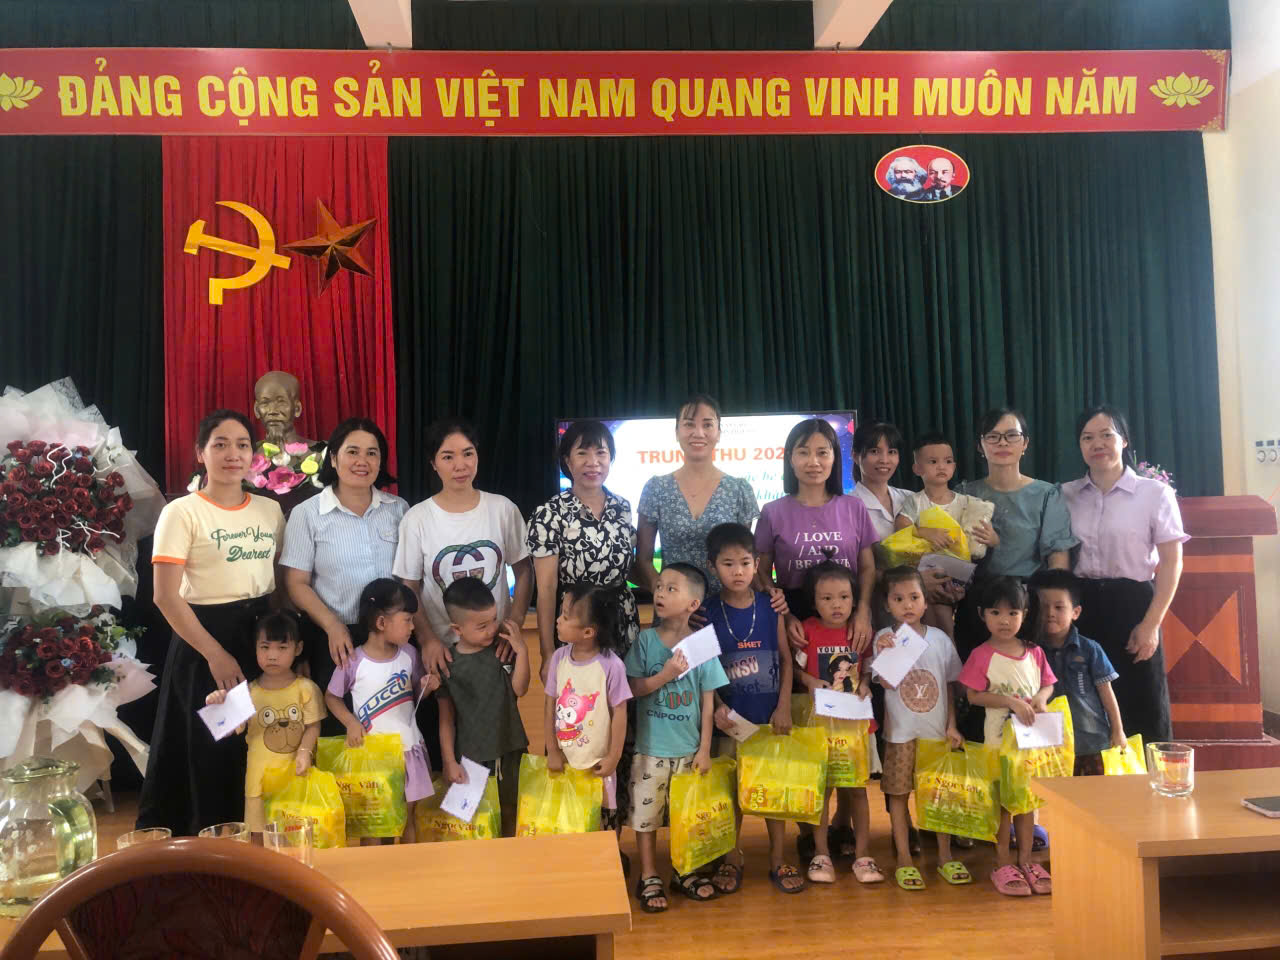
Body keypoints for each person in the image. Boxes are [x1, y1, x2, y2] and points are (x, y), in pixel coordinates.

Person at [137, 409, 286, 836]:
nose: (232, 454)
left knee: (258, 743)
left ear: (254, 455)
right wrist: (214, 654)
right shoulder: (182, 512)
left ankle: (258, 840)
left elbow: (276, 582)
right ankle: (209, 843)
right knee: (212, 747)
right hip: (204, 640)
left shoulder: (270, 510)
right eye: (220, 444)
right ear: (201, 453)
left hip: (259, 637)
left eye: (242, 445)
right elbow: (165, 596)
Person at [394, 417, 532, 765]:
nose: (460, 465)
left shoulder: (502, 509)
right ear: (433, 463)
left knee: (500, 741)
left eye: (468, 453)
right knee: (449, 741)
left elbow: (523, 570)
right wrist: (428, 639)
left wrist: (513, 625)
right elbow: (410, 587)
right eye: (448, 456)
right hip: (445, 655)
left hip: (494, 648)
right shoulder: (418, 518)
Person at [1061, 406, 1187, 745]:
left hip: (1133, 606)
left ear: (1124, 440)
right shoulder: (1065, 495)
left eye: (1107, 435)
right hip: (1082, 607)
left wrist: (1151, 624)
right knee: (1085, 702)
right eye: (1087, 437)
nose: (1097, 444)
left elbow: (1172, 563)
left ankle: (1146, 776)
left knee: (1141, 699)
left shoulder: (1154, 494)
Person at [282, 418, 407, 735]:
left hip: (393, 639)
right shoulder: (307, 514)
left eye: (372, 453)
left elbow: (410, 578)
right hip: (338, 640)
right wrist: (332, 625)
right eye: (353, 452)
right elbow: (296, 584)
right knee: (344, 736)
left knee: (394, 731)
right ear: (334, 458)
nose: (362, 461)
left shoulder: (399, 509)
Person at [624, 563, 730, 912]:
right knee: (646, 816)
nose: (660, 593)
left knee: (686, 816)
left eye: (672, 589)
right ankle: (649, 875)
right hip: (650, 750)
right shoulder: (645, 641)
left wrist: (704, 750)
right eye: (659, 586)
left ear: (693, 604)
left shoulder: (701, 645)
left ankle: (686, 870)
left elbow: (708, 701)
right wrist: (666, 674)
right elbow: (633, 688)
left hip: (688, 751)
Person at [703, 523, 799, 895]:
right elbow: (704, 669)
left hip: (769, 718)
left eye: (745, 563)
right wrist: (718, 707)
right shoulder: (707, 612)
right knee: (730, 793)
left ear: (757, 564)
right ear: (713, 566)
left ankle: (777, 857)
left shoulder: (771, 607)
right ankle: (732, 856)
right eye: (728, 564)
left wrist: (784, 705)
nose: (738, 571)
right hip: (731, 721)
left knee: (774, 789)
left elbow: (787, 660)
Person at [958, 578, 1056, 898]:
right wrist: (1010, 702)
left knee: (1025, 801)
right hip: (997, 742)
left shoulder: (1034, 652)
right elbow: (973, 695)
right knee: (1001, 804)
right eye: (996, 612)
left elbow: (1048, 683)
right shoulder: (981, 654)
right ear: (982, 614)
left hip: (1029, 744)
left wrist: (1040, 698)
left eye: (1013, 612)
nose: (1004, 620)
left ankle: (1026, 860)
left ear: (1025, 614)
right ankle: (1002, 862)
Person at [954, 408, 1077, 662]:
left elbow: (1057, 558)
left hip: (1027, 604)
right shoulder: (964, 493)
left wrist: (1052, 607)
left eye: (1011, 435)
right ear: (980, 445)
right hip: (977, 604)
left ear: (1025, 443)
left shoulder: (1046, 495)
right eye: (993, 436)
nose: (1002, 443)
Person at [871, 568, 967, 890]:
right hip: (900, 734)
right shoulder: (884, 638)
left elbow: (949, 686)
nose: (907, 605)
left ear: (926, 602)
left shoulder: (939, 639)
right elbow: (885, 683)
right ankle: (904, 858)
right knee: (898, 795)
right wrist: (889, 650)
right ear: (887, 605)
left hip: (936, 735)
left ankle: (944, 855)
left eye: (914, 597)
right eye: (898, 599)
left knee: (939, 796)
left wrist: (952, 725)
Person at [324, 579, 439, 843]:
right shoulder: (353, 661)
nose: (413, 627)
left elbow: (415, 693)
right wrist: (351, 723)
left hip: (408, 749)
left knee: (408, 818)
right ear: (381, 622)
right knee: (374, 825)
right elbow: (331, 697)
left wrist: (427, 686)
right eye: (407, 620)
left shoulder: (410, 654)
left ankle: (409, 866)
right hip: (373, 758)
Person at [528, 420, 639, 683]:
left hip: (623, 621)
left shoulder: (622, 508)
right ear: (567, 461)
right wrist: (546, 653)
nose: (593, 462)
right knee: (582, 703)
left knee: (626, 699)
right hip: (577, 624)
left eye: (601, 453)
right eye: (582, 453)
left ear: (611, 458)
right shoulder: (549, 514)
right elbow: (546, 590)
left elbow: (628, 567)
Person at [794, 561, 881, 886]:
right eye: (827, 598)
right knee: (821, 789)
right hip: (820, 726)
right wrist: (808, 680)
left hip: (856, 726)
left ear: (854, 599)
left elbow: (868, 667)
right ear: (814, 601)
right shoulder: (807, 630)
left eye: (844, 597)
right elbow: (796, 668)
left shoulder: (860, 631)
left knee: (857, 789)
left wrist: (866, 684)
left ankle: (863, 855)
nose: (836, 605)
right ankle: (821, 853)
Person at [755, 418, 877, 645]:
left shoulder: (854, 507)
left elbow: (868, 568)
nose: (813, 462)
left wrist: (862, 611)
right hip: (795, 620)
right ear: (790, 458)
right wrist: (785, 616)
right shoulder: (772, 512)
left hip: (847, 616)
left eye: (822, 453)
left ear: (834, 457)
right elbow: (760, 571)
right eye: (803, 452)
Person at [203, 612, 324, 833]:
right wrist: (217, 704)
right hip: (258, 782)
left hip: (296, 777)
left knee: (296, 835)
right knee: (257, 835)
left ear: (298, 649)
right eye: (265, 647)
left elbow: (313, 726)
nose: (272, 656)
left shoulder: (306, 688)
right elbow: (228, 729)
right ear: (256, 649)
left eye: (282, 648)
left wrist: (304, 752)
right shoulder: (247, 693)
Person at [636, 395, 761, 598]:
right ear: (676, 432)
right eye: (689, 424)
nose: (698, 433)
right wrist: (667, 596)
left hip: (725, 607)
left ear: (719, 433)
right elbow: (644, 560)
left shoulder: (739, 490)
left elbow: (744, 558)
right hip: (674, 610)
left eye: (707, 425)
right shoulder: (656, 488)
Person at [437, 577, 530, 838]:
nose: (491, 630)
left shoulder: (502, 650)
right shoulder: (448, 663)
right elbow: (446, 720)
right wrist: (449, 761)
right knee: (473, 821)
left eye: (493, 620)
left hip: (509, 747)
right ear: (457, 629)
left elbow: (520, 689)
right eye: (482, 626)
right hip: (470, 758)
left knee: (511, 811)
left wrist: (522, 651)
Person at [544, 584, 632, 850]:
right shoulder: (559, 658)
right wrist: (552, 749)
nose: (558, 620)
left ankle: (606, 866)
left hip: (597, 765)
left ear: (588, 632)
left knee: (601, 827)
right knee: (567, 822)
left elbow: (620, 712)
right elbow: (550, 704)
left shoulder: (611, 666)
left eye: (565, 616)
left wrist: (614, 756)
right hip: (565, 761)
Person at [894, 432, 995, 635]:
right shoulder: (916, 501)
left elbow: (982, 540)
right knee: (933, 609)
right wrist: (924, 532)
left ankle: (947, 646)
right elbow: (901, 529)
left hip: (961, 573)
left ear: (954, 466)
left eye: (947, 461)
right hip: (927, 572)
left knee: (948, 611)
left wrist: (992, 539)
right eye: (933, 462)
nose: (941, 466)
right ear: (917, 468)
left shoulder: (966, 502)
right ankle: (943, 646)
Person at [1031, 569, 1127, 776]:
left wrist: (1118, 730)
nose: (1050, 613)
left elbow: (1106, 692)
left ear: (1075, 612)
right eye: (1043, 607)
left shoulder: (1090, 649)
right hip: (1049, 747)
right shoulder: (1028, 651)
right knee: (1055, 794)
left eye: (1059, 607)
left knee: (1096, 792)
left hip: (1092, 741)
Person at [850, 421, 912, 541]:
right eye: (874, 451)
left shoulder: (911, 497)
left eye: (891, 452)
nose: (884, 460)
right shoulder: (846, 507)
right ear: (855, 456)